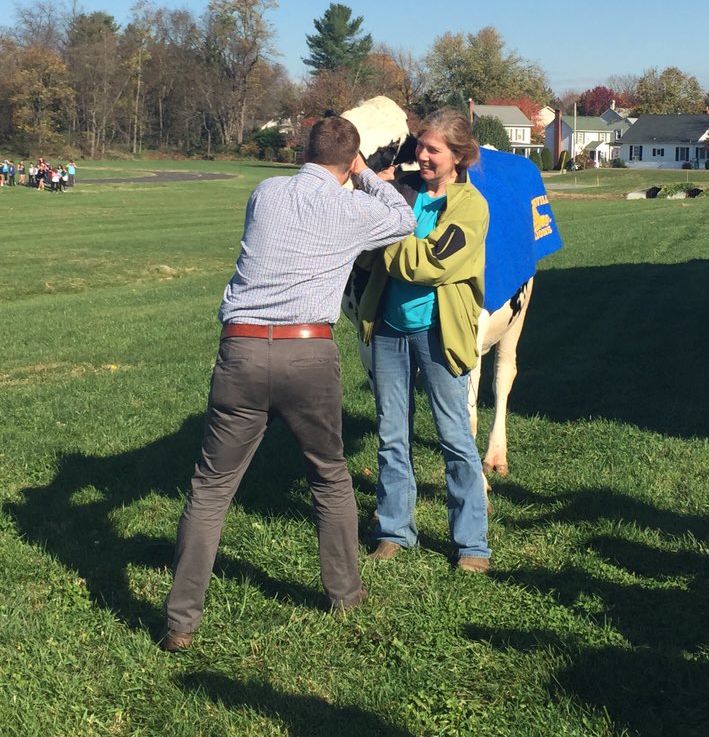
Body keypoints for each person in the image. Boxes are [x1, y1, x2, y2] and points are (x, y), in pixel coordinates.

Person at [160, 116, 417, 652]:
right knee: (329, 476)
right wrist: (365, 176)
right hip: (308, 352)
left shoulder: (265, 193)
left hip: (242, 348)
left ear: (304, 151)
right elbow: (403, 218)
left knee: (211, 489)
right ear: (350, 160)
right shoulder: (353, 207)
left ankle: (181, 622)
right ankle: (345, 595)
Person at [355, 108, 492, 572]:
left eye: (434, 149)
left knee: (454, 437)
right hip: (389, 329)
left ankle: (472, 544)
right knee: (391, 434)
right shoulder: (402, 190)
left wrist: (388, 232)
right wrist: (374, 197)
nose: (424, 155)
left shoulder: (470, 206)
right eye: (421, 146)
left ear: (459, 156)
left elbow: (430, 264)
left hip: (439, 332)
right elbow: (364, 247)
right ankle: (395, 530)